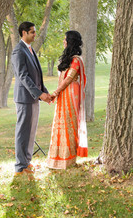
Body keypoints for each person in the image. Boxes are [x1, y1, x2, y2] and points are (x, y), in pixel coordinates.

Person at [12, 21, 52, 174]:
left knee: (31, 132)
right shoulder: (19, 51)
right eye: (32, 32)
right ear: (24, 33)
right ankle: (20, 166)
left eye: (35, 32)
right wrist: (39, 94)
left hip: (34, 98)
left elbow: (36, 77)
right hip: (24, 98)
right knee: (23, 132)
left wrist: (44, 93)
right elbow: (23, 76)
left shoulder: (30, 50)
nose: (35, 34)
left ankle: (27, 162)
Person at [46, 30, 88, 169]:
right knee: (61, 123)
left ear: (71, 42)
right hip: (63, 93)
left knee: (69, 123)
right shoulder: (68, 59)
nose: (63, 41)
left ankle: (68, 159)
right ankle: (57, 158)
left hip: (70, 93)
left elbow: (69, 79)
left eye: (65, 39)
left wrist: (56, 92)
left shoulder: (76, 60)